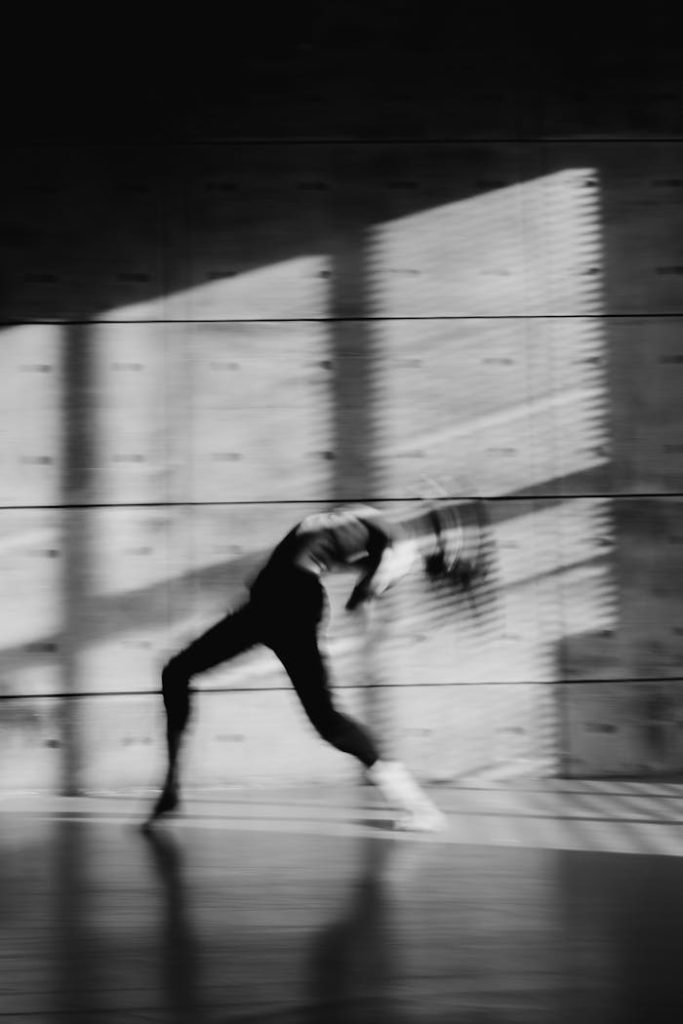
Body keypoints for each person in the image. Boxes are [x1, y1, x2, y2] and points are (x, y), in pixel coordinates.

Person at [146, 500, 488, 832]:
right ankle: (171, 788)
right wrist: (366, 604)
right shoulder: (385, 536)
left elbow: (357, 581)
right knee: (177, 672)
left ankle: (417, 806)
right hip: (274, 601)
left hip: (284, 601)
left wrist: (366, 601)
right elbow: (358, 588)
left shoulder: (383, 532)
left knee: (325, 721)